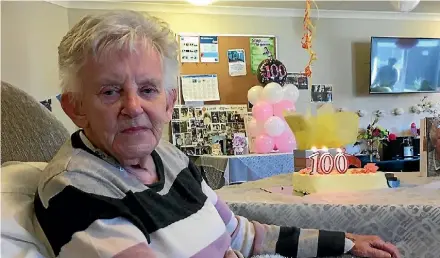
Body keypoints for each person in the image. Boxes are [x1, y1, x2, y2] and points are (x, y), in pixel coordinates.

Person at [33, 10, 400, 258]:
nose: (133, 107)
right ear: (74, 107)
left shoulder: (170, 157)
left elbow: (242, 233)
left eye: (148, 90)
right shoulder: (75, 188)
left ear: (168, 102)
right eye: (110, 91)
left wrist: (345, 243)